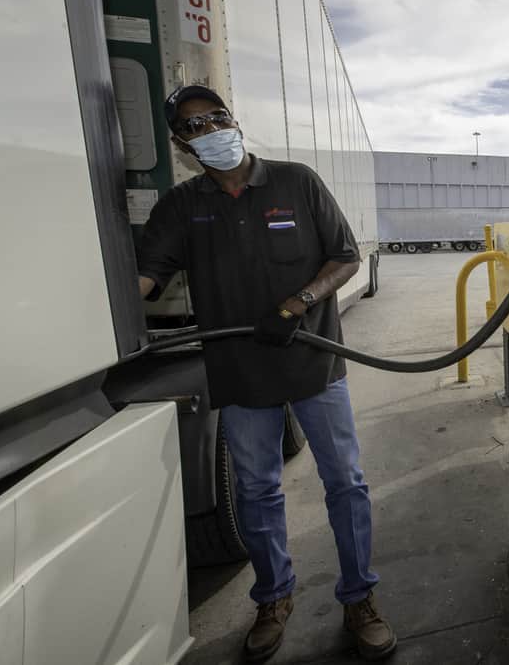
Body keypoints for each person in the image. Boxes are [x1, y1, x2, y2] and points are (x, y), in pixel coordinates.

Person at [136, 85, 396, 662]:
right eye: (194, 126)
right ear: (182, 144)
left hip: (313, 360)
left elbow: (346, 254)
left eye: (217, 117)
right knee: (256, 489)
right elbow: (148, 275)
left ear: (234, 120)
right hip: (239, 371)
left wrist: (297, 302)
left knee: (346, 483)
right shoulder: (182, 207)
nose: (211, 131)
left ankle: (359, 598)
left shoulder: (295, 181)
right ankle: (274, 598)